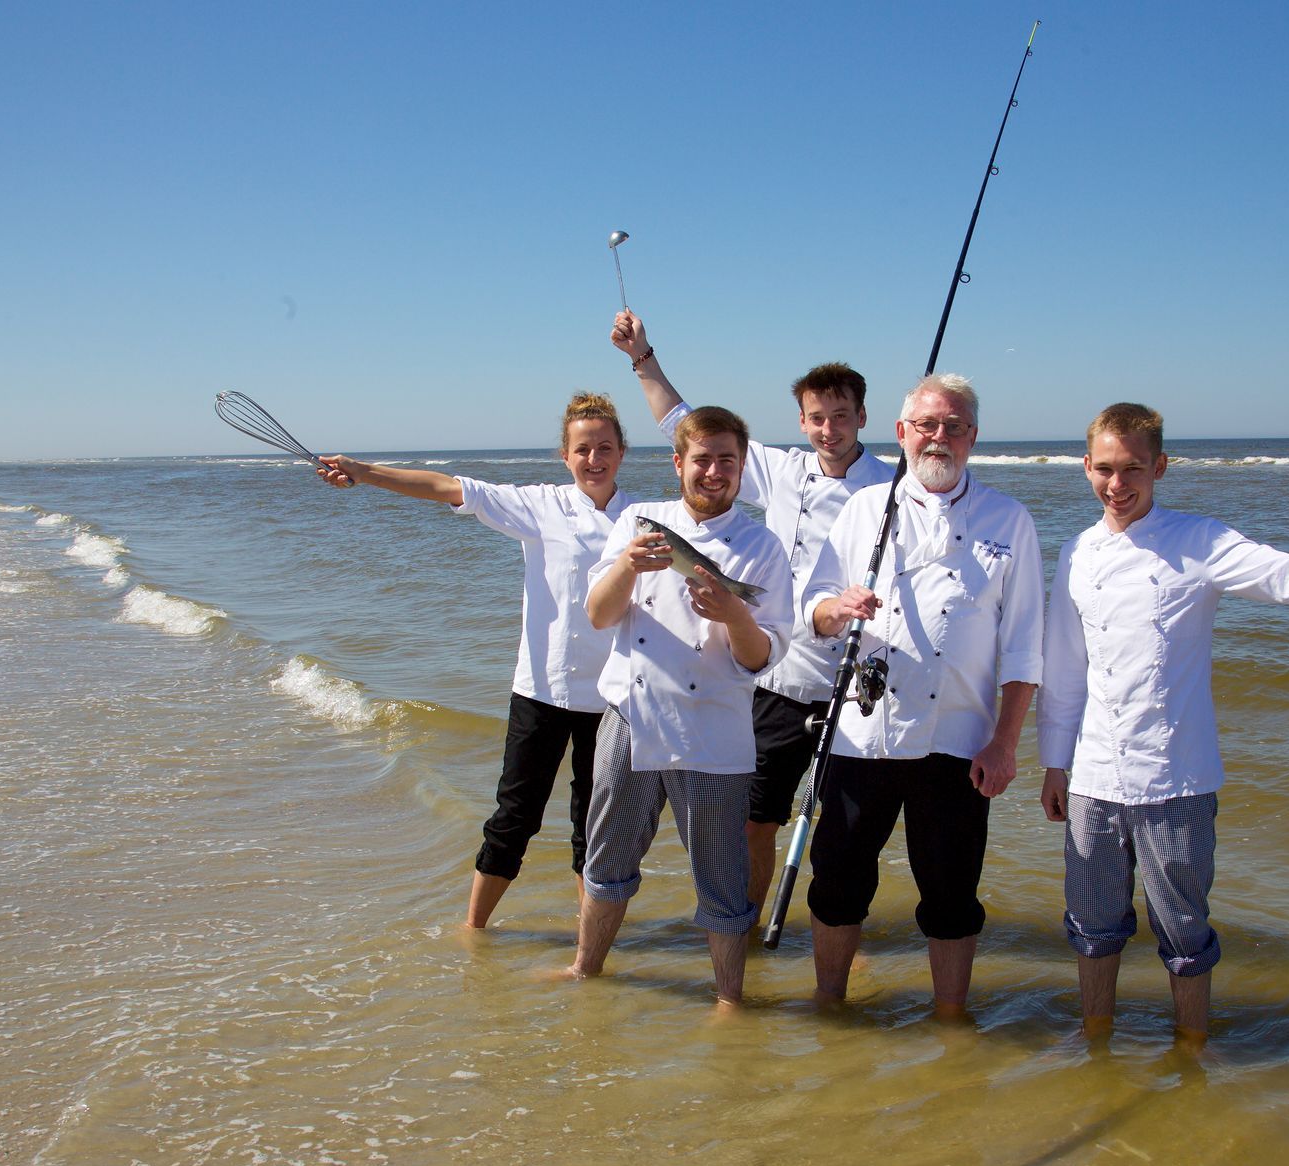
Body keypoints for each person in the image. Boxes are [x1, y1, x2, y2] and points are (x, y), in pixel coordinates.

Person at [1037, 402, 1289, 1041]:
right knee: (1092, 930)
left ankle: (1195, 1053)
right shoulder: (1077, 552)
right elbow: (1066, 667)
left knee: (1185, 934)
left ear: (1160, 466)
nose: (1117, 483)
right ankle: (1093, 1042)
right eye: (1104, 468)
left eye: (1133, 468)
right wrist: (1056, 763)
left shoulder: (1202, 540)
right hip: (1093, 781)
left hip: (1178, 781)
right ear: (1085, 467)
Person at [610, 310, 896, 916]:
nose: (829, 430)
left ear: (862, 418)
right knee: (755, 822)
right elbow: (684, 424)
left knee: (845, 833)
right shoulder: (782, 468)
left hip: (852, 684)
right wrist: (643, 358)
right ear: (802, 421)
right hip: (779, 680)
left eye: (841, 416)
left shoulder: (891, 487)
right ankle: (747, 929)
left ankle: (838, 932)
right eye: (817, 418)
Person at [316, 392, 634, 928]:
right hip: (543, 693)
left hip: (614, 702)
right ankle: (473, 933)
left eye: (605, 447)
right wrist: (362, 472)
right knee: (514, 819)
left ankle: (590, 949)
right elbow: (447, 487)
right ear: (565, 455)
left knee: (594, 828)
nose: (593, 459)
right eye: (582, 449)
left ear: (622, 452)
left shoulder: (643, 519)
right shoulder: (542, 506)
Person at [798, 373, 1043, 1017]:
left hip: (961, 745)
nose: (940, 438)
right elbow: (811, 611)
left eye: (955, 426)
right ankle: (829, 1005)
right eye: (927, 425)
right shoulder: (862, 509)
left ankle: (952, 1018)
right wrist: (836, 608)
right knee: (838, 883)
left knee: (952, 895)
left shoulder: (1008, 520)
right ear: (902, 433)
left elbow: (1024, 651)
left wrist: (1006, 741)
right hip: (861, 733)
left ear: (973, 437)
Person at [569, 406, 795, 1006]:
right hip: (630, 719)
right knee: (607, 855)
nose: (714, 471)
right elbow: (598, 615)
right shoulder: (641, 526)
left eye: (727, 460)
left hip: (713, 734)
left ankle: (728, 1002)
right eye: (702, 459)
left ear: (742, 467)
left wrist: (733, 614)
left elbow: (760, 658)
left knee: (723, 879)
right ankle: (584, 971)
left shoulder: (762, 546)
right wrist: (624, 567)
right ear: (678, 464)